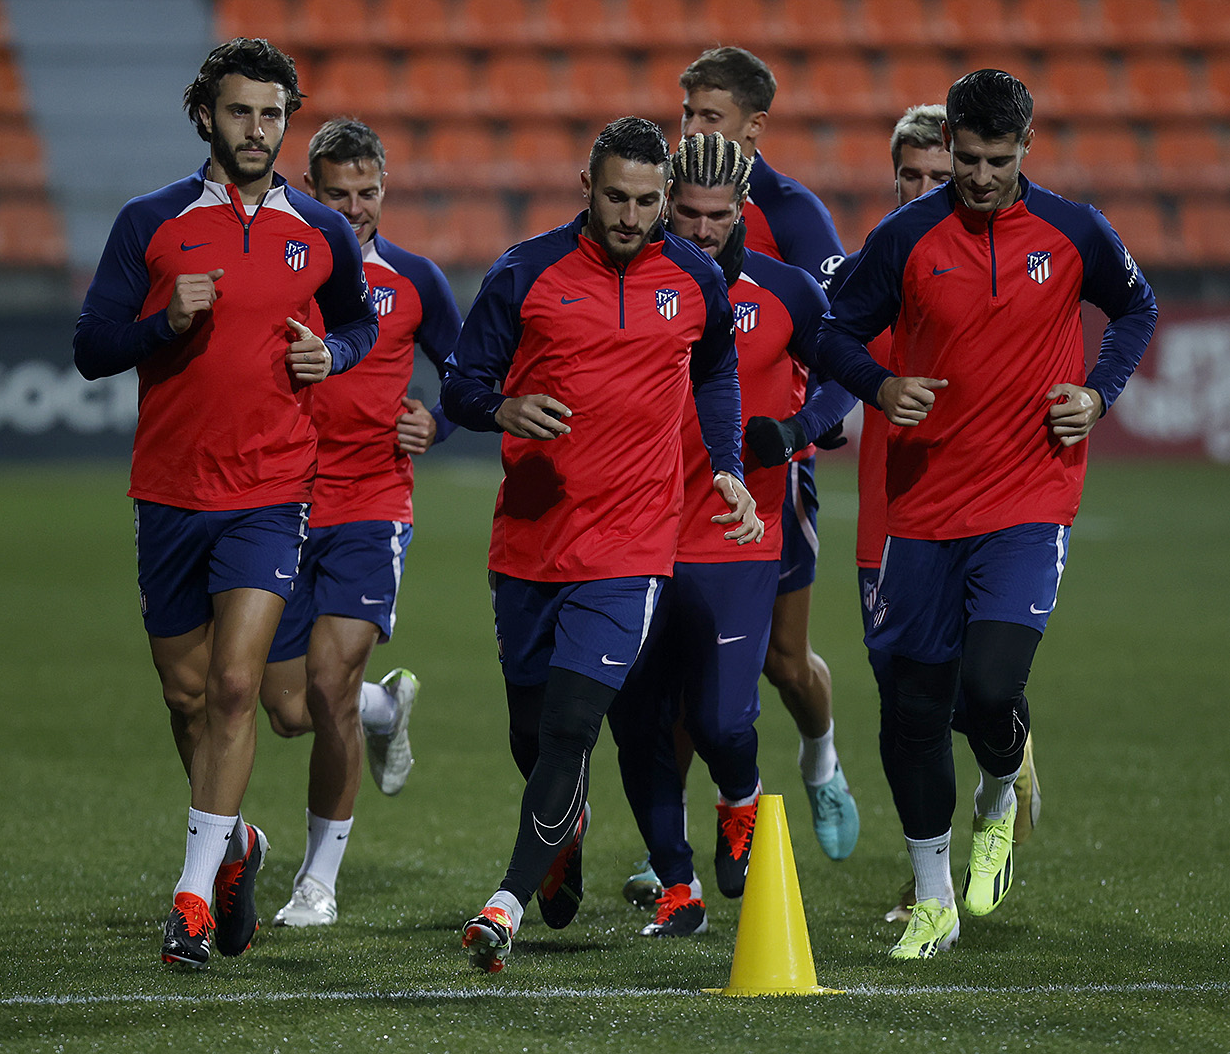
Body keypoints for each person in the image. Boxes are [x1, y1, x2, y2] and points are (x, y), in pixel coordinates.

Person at [817, 69, 1156, 960]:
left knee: (992, 687)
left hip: (1028, 495)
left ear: (1025, 149)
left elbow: (1135, 308)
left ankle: (999, 789)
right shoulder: (905, 236)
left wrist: (1097, 388)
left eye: (994, 162)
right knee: (912, 710)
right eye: (964, 160)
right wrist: (879, 384)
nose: (975, 178)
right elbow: (829, 332)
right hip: (922, 509)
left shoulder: (1075, 230)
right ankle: (933, 896)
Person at [72, 38, 378, 969]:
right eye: (241, 112)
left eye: (273, 114)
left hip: (271, 490)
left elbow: (359, 319)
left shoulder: (318, 230)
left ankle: (193, 896)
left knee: (241, 685)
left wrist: (337, 356)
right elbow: (91, 345)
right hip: (168, 493)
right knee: (188, 693)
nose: (258, 130)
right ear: (205, 115)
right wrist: (162, 322)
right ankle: (234, 842)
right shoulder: (151, 223)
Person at [440, 117, 760, 973]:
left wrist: (725, 464)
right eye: (615, 197)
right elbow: (461, 385)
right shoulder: (525, 271)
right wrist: (503, 408)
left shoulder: (693, 276)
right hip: (530, 539)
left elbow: (718, 368)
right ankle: (563, 828)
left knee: (574, 726)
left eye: (648, 201)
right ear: (586, 185)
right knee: (532, 730)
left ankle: (503, 903)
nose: (630, 216)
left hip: (631, 546)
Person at [606, 133, 855, 938]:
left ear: (743, 209)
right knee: (642, 719)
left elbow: (845, 370)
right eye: (688, 213)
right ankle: (675, 883)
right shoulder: (629, 281)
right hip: (638, 530)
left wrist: (796, 429)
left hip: (736, 530)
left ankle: (741, 798)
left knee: (720, 721)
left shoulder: (785, 291)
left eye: (719, 215)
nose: (704, 229)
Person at [830, 104, 1042, 925]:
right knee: (905, 703)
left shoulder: (968, 258)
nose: (928, 187)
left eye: (935, 173)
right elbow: (828, 353)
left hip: (966, 508)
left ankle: (1008, 760)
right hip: (887, 516)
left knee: (973, 695)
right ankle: (929, 881)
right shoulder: (888, 262)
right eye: (911, 176)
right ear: (893, 180)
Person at [257, 117, 462, 928]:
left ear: (385, 189)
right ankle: (387, 708)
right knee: (287, 709)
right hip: (279, 501)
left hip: (370, 508)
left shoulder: (414, 281)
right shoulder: (280, 272)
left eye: (367, 192)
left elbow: (472, 376)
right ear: (311, 193)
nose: (354, 208)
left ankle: (317, 881)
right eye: (336, 194)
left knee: (326, 687)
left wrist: (435, 425)